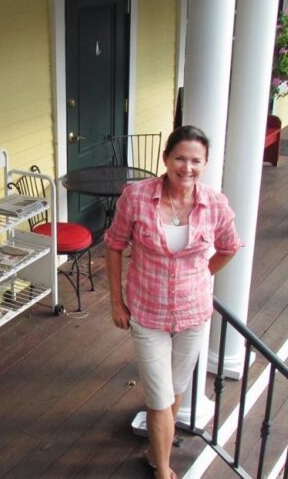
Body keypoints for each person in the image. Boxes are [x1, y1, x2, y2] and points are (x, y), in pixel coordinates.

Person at [104, 125, 242, 479]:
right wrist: (116, 303)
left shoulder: (215, 204)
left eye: (196, 160)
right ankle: (164, 470)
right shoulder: (136, 197)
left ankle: (155, 450)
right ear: (166, 159)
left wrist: (203, 275)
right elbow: (115, 244)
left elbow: (229, 247)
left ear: (205, 163)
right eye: (180, 157)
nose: (187, 166)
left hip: (194, 313)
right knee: (159, 395)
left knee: (175, 388)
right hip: (147, 312)